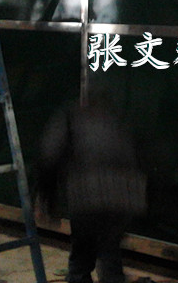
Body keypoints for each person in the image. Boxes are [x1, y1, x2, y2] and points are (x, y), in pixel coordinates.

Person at [36, 95, 148, 283]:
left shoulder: (69, 116)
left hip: (88, 196)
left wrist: (46, 201)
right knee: (110, 250)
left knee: (83, 250)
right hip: (126, 197)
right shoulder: (118, 117)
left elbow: (50, 155)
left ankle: (81, 277)